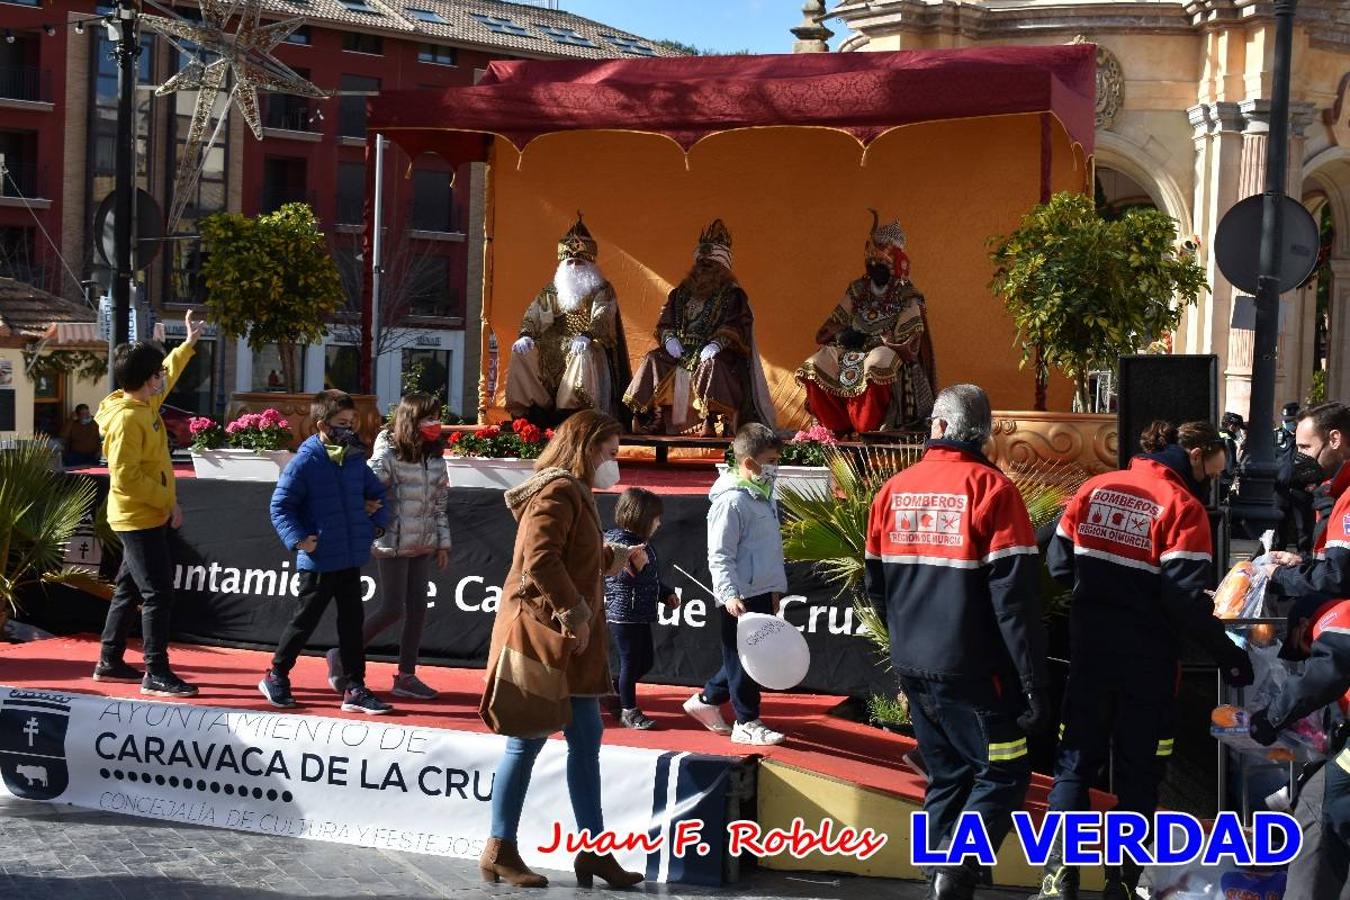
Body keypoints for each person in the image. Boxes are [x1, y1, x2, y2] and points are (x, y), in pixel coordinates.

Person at [1034, 420, 1254, 900]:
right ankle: (1123, 886)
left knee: (1074, 766)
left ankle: (1057, 881)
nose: (1212, 482)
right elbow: (1182, 599)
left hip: (1090, 655)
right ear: (1195, 455)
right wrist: (1228, 656)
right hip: (1149, 668)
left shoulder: (1094, 488)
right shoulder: (1183, 508)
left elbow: (1056, 566)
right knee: (1139, 776)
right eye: (1214, 471)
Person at [864, 383, 1049, 900]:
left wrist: (904, 648)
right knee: (1006, 771)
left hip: (915, 665)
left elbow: (874, 588)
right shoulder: (992, 491)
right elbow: (1014, 603)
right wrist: (1034, 685)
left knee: (944, 778)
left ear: (939, 427)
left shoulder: (892, 490)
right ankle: (954, 873)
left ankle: (940, 882)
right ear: (983, 434)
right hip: (975, 672)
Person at [479, 409, 644, 889]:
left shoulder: (576, 490)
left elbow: (575, 555)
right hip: (545, 637)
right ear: (588, 447)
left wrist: (615, 557)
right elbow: (541, 558)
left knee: (586, 742)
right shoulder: (558, 489)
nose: (614, 462)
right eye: (610, 452)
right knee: (526, 739)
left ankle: (594, 852)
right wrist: (574, 611)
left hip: (571, 642)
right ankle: (499, 848)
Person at [92, 310, 203, 697]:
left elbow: (167, 374)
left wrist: (186, 346)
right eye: (155, 374)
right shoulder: (127, 420)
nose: (162, 378)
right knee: (158, 593)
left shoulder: (143, 404)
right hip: (137, 517)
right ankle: (155, 671)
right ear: (143, 380)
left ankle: (108, 660)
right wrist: (168, 503)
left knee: (128, 589)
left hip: (142, 514)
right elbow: (124, 478)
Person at [262, 389, 392, 715]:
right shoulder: (305, 461)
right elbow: (281, 507)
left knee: (352, 624)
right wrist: (299, 540)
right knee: (304, 621)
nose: (348, 428)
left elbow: (377, 493)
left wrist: (376, 523)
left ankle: (355, 687)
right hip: (319, 560)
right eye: (341, 423)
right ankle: (276, 675)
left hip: (349, 556)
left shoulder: (352, 458)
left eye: (351, 422)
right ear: (322, 425)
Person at [327, 392, 450, 701]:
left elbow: (440, 504)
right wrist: (366, 505)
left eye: (437, 417)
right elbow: (365, 485)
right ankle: (341, 654)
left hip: (422, 541)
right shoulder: (388, 454)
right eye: (429, 418)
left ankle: (406, 676)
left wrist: (443, 541)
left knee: (418, 609)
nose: (436, 424)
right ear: (412, 420)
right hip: (392, 541)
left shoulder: (435, 456)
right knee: (393, 607)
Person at [683, 423, 789, 746]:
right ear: (749, 464)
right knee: (746, 659)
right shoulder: (730, 503)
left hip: (760, 591)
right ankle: (746, 722)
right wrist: (728, 594)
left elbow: (768, 551)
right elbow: (720, 554)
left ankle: (707, 700)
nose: (775, 467)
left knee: (745, 656)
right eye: (770, 460)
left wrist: (773, 589)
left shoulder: (763, 496)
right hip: (739, 596)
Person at [624, 219, 775, 437]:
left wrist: (716, 344)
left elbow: (736, 325)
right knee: (653, 359)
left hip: (719, 354)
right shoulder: (680, 293)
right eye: (700, 263)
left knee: (711, 366)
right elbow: (665, 321)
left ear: (722, 268)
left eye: (710, 265)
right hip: (681, 351)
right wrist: (669, 340)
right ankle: (646, 418)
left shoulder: (732, 295)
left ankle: (710, 421)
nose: (703, 269)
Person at [796, 210, 937, 436]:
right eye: (872, 261)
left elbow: (910, 345)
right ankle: (835, 428)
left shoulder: (907, 295)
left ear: (896, 262)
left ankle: (868, 429)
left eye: (881, 261)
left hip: (886, 350)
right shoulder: (858, 289)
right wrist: (845, 333)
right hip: (851, 347)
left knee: (877, 364)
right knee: (816, 363)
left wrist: (886, 341)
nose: (874, 265)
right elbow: (829, 327)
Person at [1248, 595, 1350, 900]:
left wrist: (1271, 718)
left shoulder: (1337, 616)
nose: (1307, 655)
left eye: (1302, 646)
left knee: (1316, 803)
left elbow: (1323, 676)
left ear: (1304, 623)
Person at [506, 214, 631, 426]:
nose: (573, 267)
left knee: (581, 352)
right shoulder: (553, 289)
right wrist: (526, 335)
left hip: (589, 344)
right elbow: (535, 313)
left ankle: (569, 412)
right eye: (569, 261)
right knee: (522, 353)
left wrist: (587, 335)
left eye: (579, 262)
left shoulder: (602, 289)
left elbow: (603, 317)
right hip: (552, 343)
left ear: (590, 264)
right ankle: (531, 412)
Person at [603, 487, 680, 730]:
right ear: (643, 517)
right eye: (656, 518)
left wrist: (664, 593)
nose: (659, 523)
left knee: (645, 662)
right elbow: (624, 578)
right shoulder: (619, 545)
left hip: (641, 614)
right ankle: (629, 710)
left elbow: (648, 580)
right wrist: (639, 565)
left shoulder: (642, 544)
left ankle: (611, 690)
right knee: (630, 661)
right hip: (623, 614)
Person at [60, 403, 102, 468]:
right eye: (83, 414)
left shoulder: (95, 422)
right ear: (78, 415)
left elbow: (103, 438)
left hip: (93, 454)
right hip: (77, 455)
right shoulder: (73, 424)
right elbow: (63, 436)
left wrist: (100, 451)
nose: (87, 415)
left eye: (87, 413)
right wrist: (71, 420)